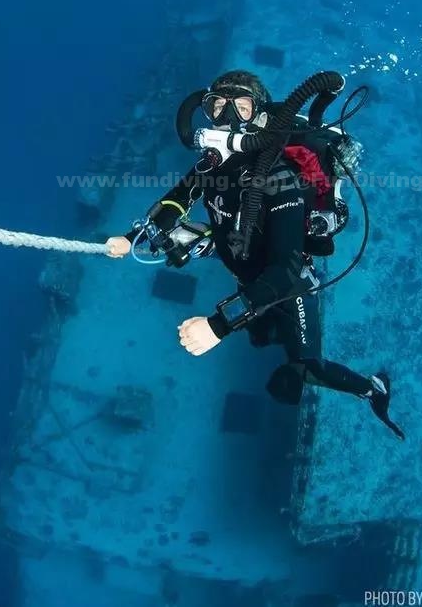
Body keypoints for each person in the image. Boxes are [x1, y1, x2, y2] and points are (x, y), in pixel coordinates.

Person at [106, 70, 404, 439]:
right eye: (219, 107)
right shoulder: (211, 165)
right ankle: (257, 314)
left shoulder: (279, 179)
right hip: (241, 261)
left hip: (288, 284)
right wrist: (132, 237)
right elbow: (178, 199)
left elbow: (285, 271)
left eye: (242, 108)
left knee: (307, 367)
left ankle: (374, 389)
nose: (228, 118)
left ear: (260, 117)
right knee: (261, 336)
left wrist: (218, 326)